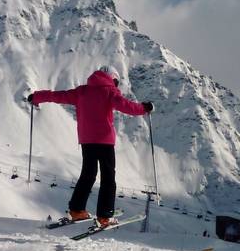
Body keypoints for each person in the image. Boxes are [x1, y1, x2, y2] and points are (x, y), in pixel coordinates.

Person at [30, 67, 152, 228]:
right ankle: (105, 215)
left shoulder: (82, 91)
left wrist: (37, 96)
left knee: (88, 175)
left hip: (87, 140)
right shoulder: (110, 92)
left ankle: (77, 210)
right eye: (116, 82)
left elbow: (58, 95)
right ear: (112, 78)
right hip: (105, 141)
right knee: (108, 178)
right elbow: (127, 106)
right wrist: (144, 108)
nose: (116, 85)